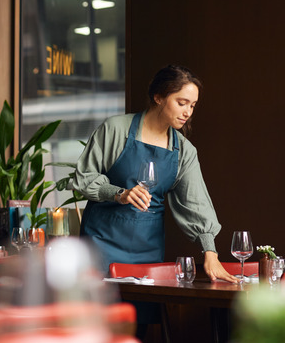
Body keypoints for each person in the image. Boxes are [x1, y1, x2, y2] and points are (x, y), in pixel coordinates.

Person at [72, 64, 237, 284]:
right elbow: (85, 176)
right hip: (101, 245)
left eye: (193, 105)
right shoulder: (115, 130)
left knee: (145, 314)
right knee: (103, 315)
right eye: (181, 103)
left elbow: (196, 203)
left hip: (148, 251)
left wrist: (210, 252)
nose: (188, 112)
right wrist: (119, 193)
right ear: (158, 97)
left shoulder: (184, 151)